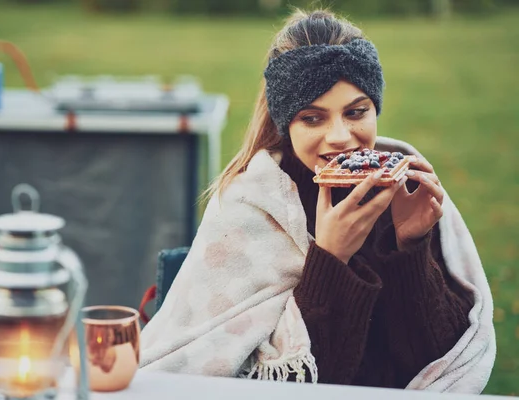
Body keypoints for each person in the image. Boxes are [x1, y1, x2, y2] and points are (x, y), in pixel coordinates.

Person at [140, 9, 495, 392]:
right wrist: (331, 260)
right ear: (286, 123)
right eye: (313, 119)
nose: (340, 136)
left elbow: (440, 361)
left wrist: (411, 247)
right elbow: (296, 385)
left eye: (356, 112)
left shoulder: (405, 188)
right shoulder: (253, 207)